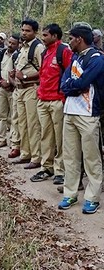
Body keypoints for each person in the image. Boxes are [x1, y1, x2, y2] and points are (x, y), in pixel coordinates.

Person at [58, 25, 104, 214]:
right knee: (70, 156)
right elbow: (64, 83)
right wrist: (72, 86)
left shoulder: (97, 59)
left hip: (88, 113)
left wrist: (73, 86)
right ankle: (70, 193)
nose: (69, 41)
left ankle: (93, 197)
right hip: (70, 112)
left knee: (91, 158)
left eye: (71, 38)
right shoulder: (75, 58)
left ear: (79, 39)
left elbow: (84, 82)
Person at [30, 24, 73, 184]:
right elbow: (43, 75)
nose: (43, 37)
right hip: (43, 100)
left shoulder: (64, 51)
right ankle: (46, 168)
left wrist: (63, 96)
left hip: (57, 101)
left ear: (55, 36)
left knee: (60, 138)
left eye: (46, 35)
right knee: (45, 136)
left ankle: (60, 171)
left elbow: (70, 74)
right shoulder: (45, 52)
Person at [13, 19, 44, 169]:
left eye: (28, 31)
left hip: (31, 89)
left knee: (33, 124)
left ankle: (36, 157)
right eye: (23, 30)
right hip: (19, 90)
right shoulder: (23, 48)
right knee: (22, 123)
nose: (24, 33)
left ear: (35, 32)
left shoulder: (38, 48)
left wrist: (24, 77)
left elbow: (44, 71)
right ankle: (25, 154)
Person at [0, 35, 20, 148]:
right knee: (1, 114)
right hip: (1, 88)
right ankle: (2, 138)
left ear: (18, 45)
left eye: (13, 43)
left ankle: (14, 141)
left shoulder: (18, 56)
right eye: (9, 42)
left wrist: (10, 83)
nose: (10, 45)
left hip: (13, 89)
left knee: (14, 116)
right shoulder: (0, 54)